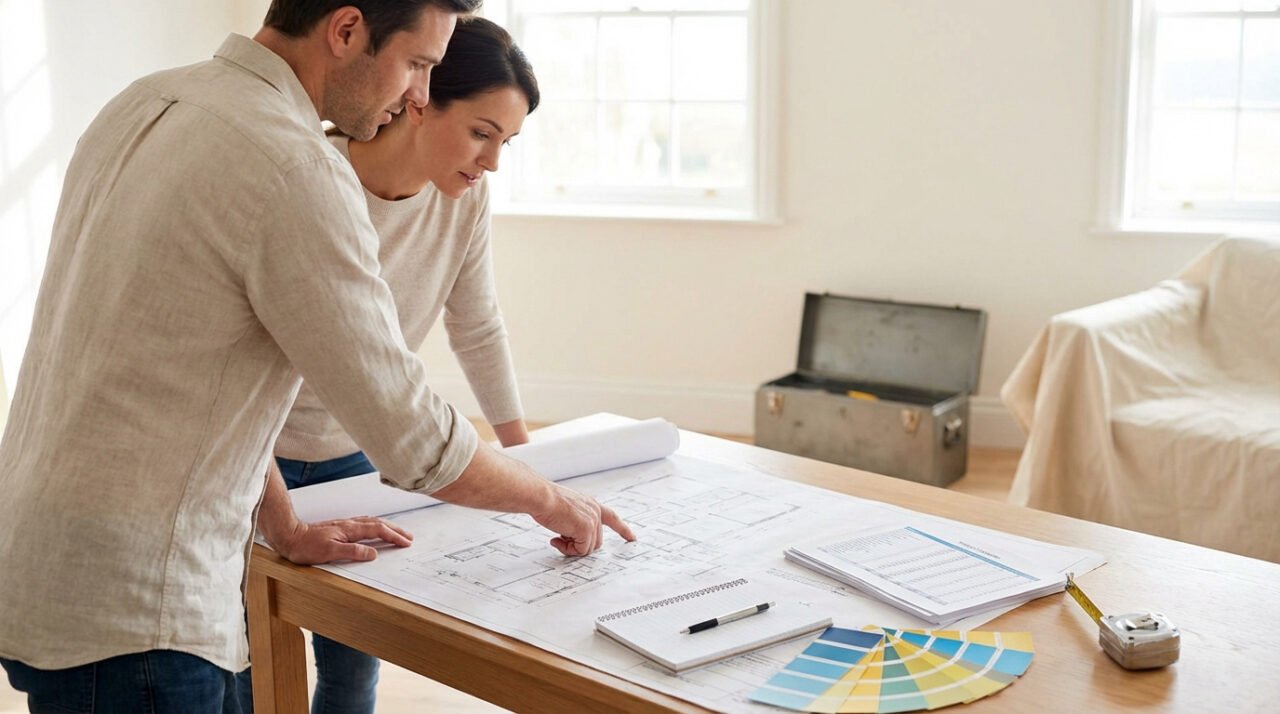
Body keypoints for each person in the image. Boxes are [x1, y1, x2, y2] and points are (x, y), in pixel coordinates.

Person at [0, 2, 633, 712]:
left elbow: (188, 370)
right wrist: (550, 499)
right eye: (419, 64)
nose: (420, 95)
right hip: (141, 611)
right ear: (345, 29)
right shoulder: (295, 165)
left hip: (44, 564)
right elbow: (412, 436)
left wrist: (285, 527)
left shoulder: (145, 100)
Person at [236, 17, 541, 713]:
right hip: (263, 453)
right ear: (418, 96)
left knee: (355, 659)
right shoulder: (312, 180)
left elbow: (478, 325)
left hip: (359, 451)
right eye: (481, 133)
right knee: (252, 654)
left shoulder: (465, 200)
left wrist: (528, 456)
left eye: (507, 143)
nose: (492, 161)